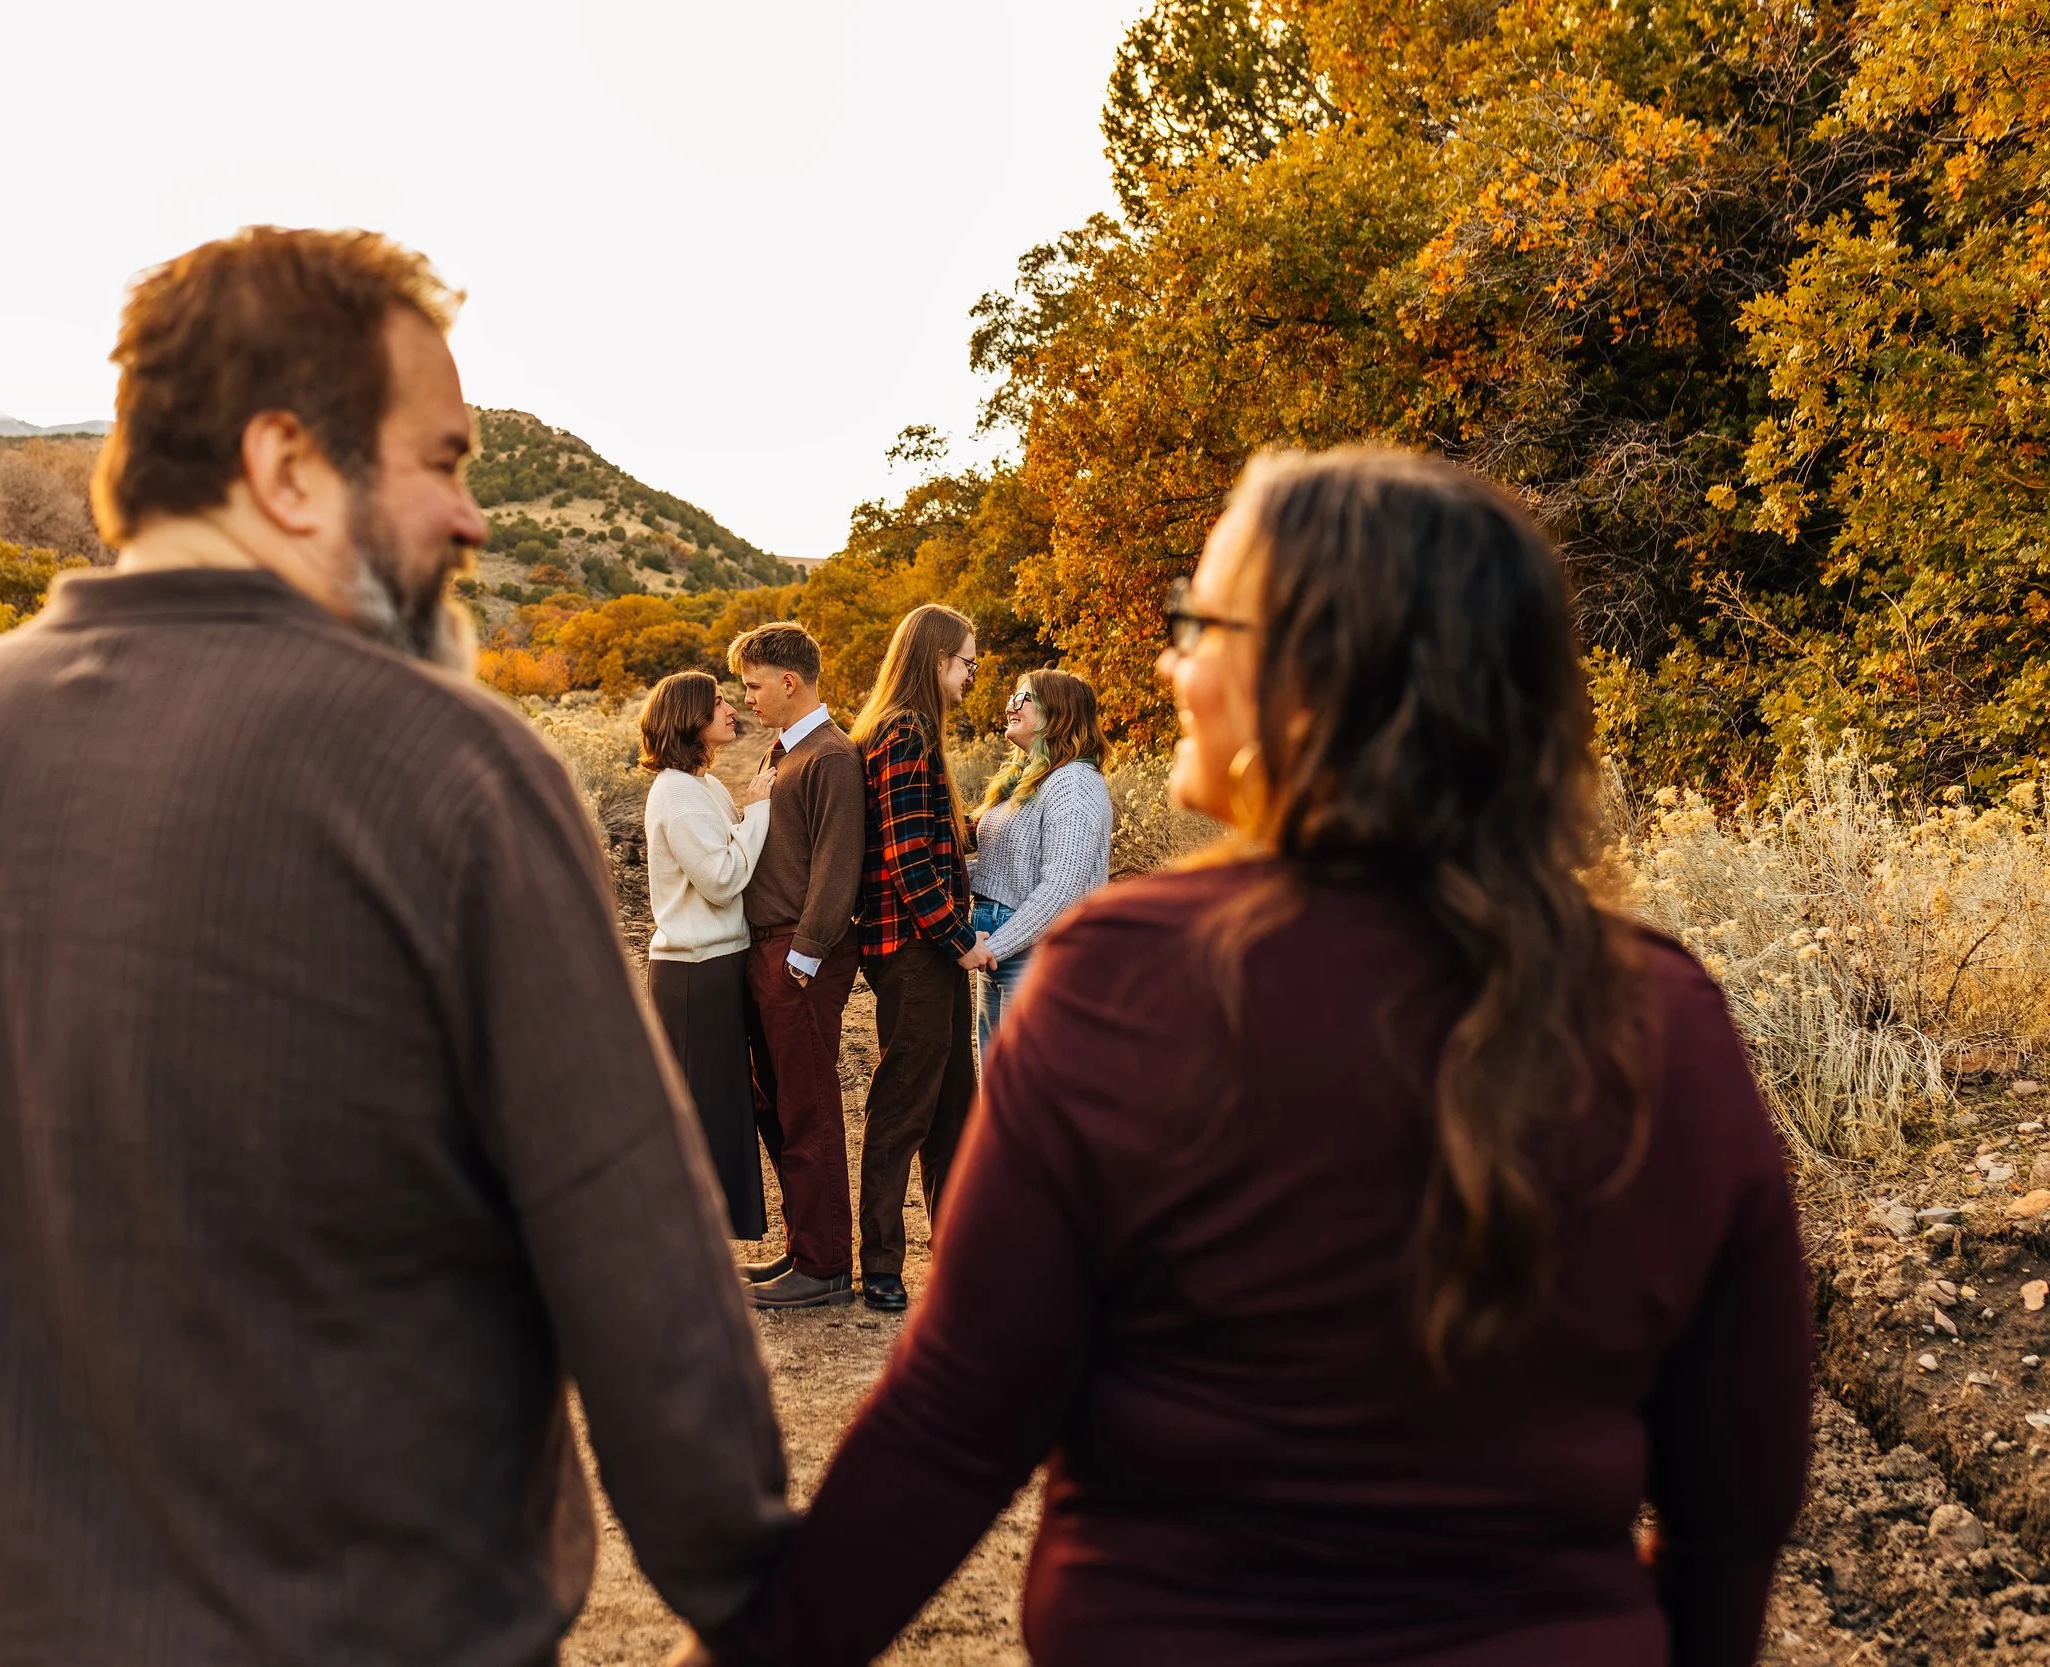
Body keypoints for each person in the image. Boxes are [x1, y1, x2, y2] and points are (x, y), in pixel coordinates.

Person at [0, 226, 790, 1667]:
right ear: (289, 464)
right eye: (440, 459)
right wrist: (751, 1587)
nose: (472, 517)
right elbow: (660, 1316)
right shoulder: (452, 776)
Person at [698, 447, 1813, 1666]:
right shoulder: (1666, 1016)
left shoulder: (1125, 984)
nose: (1172, 661)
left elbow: (950, 1432)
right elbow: (1738, 1498)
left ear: (1308, 674)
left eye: (1198, 621)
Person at [849, 603, 987, 1316]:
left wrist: (978, 825)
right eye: (965, 661)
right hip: (914, 951)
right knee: (905, 1107)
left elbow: (924, 835)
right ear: (936, 659)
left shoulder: (904, 731)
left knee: (953, 1109)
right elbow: (905, 862)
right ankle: (879, 1264)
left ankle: (960, 1257)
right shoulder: (905, 730)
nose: (970, 675)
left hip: (921, 949)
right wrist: (963, 942)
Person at [728, 620, 867, 1310]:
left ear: (790, 681)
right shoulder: (782, 752)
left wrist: (804, 957)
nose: (746, 697)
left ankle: (825, 1266)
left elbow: (839, 865)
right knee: (776, 1107)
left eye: (753, 685)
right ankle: (801, 1246)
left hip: (799, 954)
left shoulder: (830, 755)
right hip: (767, 950)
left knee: (808, 1109)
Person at [640, 669, 780, 1239]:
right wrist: (762, 811)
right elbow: (722, 880)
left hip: (719, 961)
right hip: (694, 970)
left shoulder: (705, 786)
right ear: (689, 719)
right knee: (705, 1109)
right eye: (717, 702)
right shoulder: (675, 793)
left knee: (724, 1106)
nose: (730, 708)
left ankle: (710, 1231)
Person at [966, 669, 1112, 1061]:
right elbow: (1000, 871)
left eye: (1023, 697)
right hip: (1000, 949)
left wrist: (991, 946)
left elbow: (1062, 889)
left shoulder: (1075, 782)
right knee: (999, 1091)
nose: (1010, 706)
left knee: (1029, 1095)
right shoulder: (1027, 780)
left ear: (1057, 712)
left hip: (1037, 953)